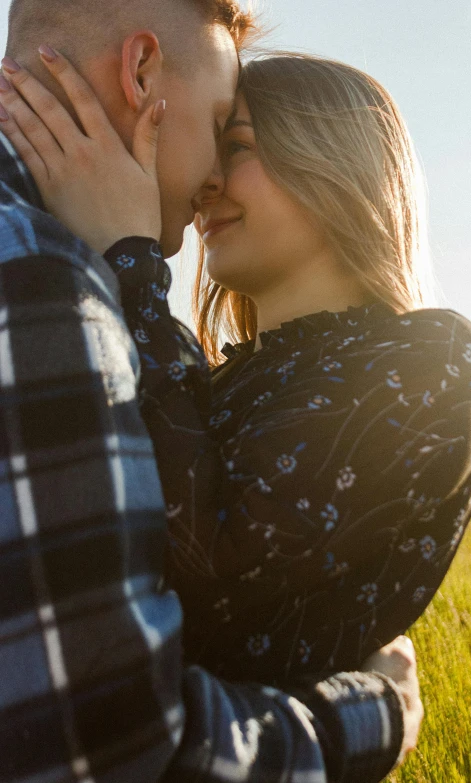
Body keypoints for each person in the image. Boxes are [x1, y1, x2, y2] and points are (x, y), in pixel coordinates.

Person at [0, 3, 424, 783]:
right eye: (223, 124)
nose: (211, 184)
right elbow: (120, 747)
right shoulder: (40, 283)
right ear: (140, 74)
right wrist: (375, 713)